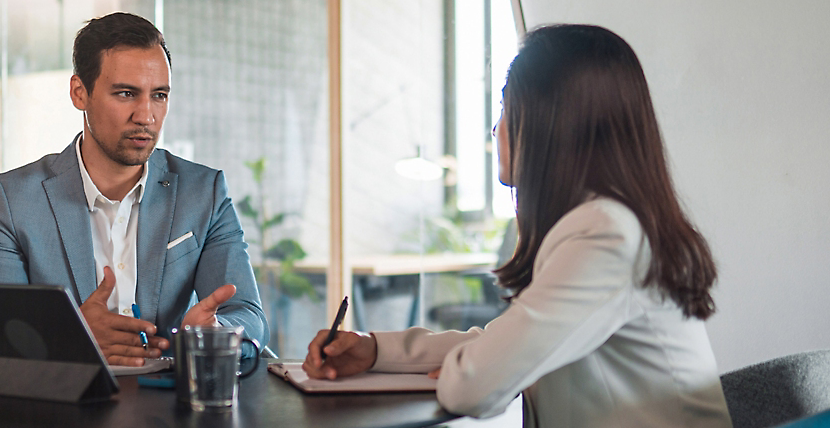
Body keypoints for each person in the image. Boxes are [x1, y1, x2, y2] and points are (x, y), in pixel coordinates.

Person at [303, 24, 732, 427]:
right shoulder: (611, 222)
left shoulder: (605, 236)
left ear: (552, 123)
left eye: (507, 107)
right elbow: (500, 346)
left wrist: (469, 370)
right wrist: (375, 350)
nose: (496, 128)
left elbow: (471, 387)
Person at [0, 12, 268, 367]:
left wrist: (214, 334)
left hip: (170, 407)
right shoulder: (12, 200)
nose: (146, 115)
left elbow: (247, 315)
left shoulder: (204, 192)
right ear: (80, 93)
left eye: (159, 96)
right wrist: (70, 334)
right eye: (126, 93)